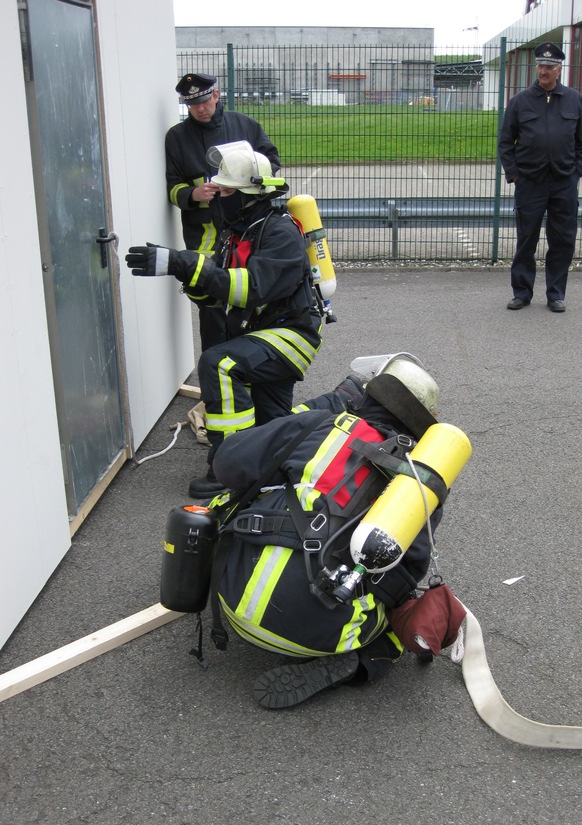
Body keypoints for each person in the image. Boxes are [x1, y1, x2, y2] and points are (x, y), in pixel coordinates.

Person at [202, 353, 466, 709]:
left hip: (230, 598)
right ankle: (361, 659)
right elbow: (406, 572)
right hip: (321, 633)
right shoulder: (417, 485)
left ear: (367, 397)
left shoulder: (317, 424)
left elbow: (227, 464)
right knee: (397, 617)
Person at [126, 141, 323, 498]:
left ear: (251, 194)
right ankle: (274, 468)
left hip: (290, 336)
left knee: (219, 363)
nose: (218, 197)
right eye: (218, 189)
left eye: (227, 190)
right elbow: (216, 287)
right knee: (272, 425)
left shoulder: (279, 233)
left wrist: (187, 264)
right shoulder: (239, 233)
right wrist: (180, 270)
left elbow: (251, 288)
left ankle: (231, 468)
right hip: (266, 334)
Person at [166, 73, 281, 351]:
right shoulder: (177, 137)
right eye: (193, 104)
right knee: (211, 309)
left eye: (204, 100)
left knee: (251, 302)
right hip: (205, 238)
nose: (200, 108)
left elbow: (271, 163)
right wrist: (192, 194)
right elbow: (171, 186)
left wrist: (243, 184)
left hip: (246, 232)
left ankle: (249, 372)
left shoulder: (245, 126)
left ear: (216, 95)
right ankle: (214, 378)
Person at [498, 42, 582, 313]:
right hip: (530, 182)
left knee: (562, 240)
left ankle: (555, 295)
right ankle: (522, 292)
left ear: (559, 69)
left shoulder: (574, 100)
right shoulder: (520, 102)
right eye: (540, 66)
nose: (543, 71)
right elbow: (506, 143)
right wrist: (515, 174)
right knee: (527, 239)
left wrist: (576, 172)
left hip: (564, 182)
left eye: (549, 67)